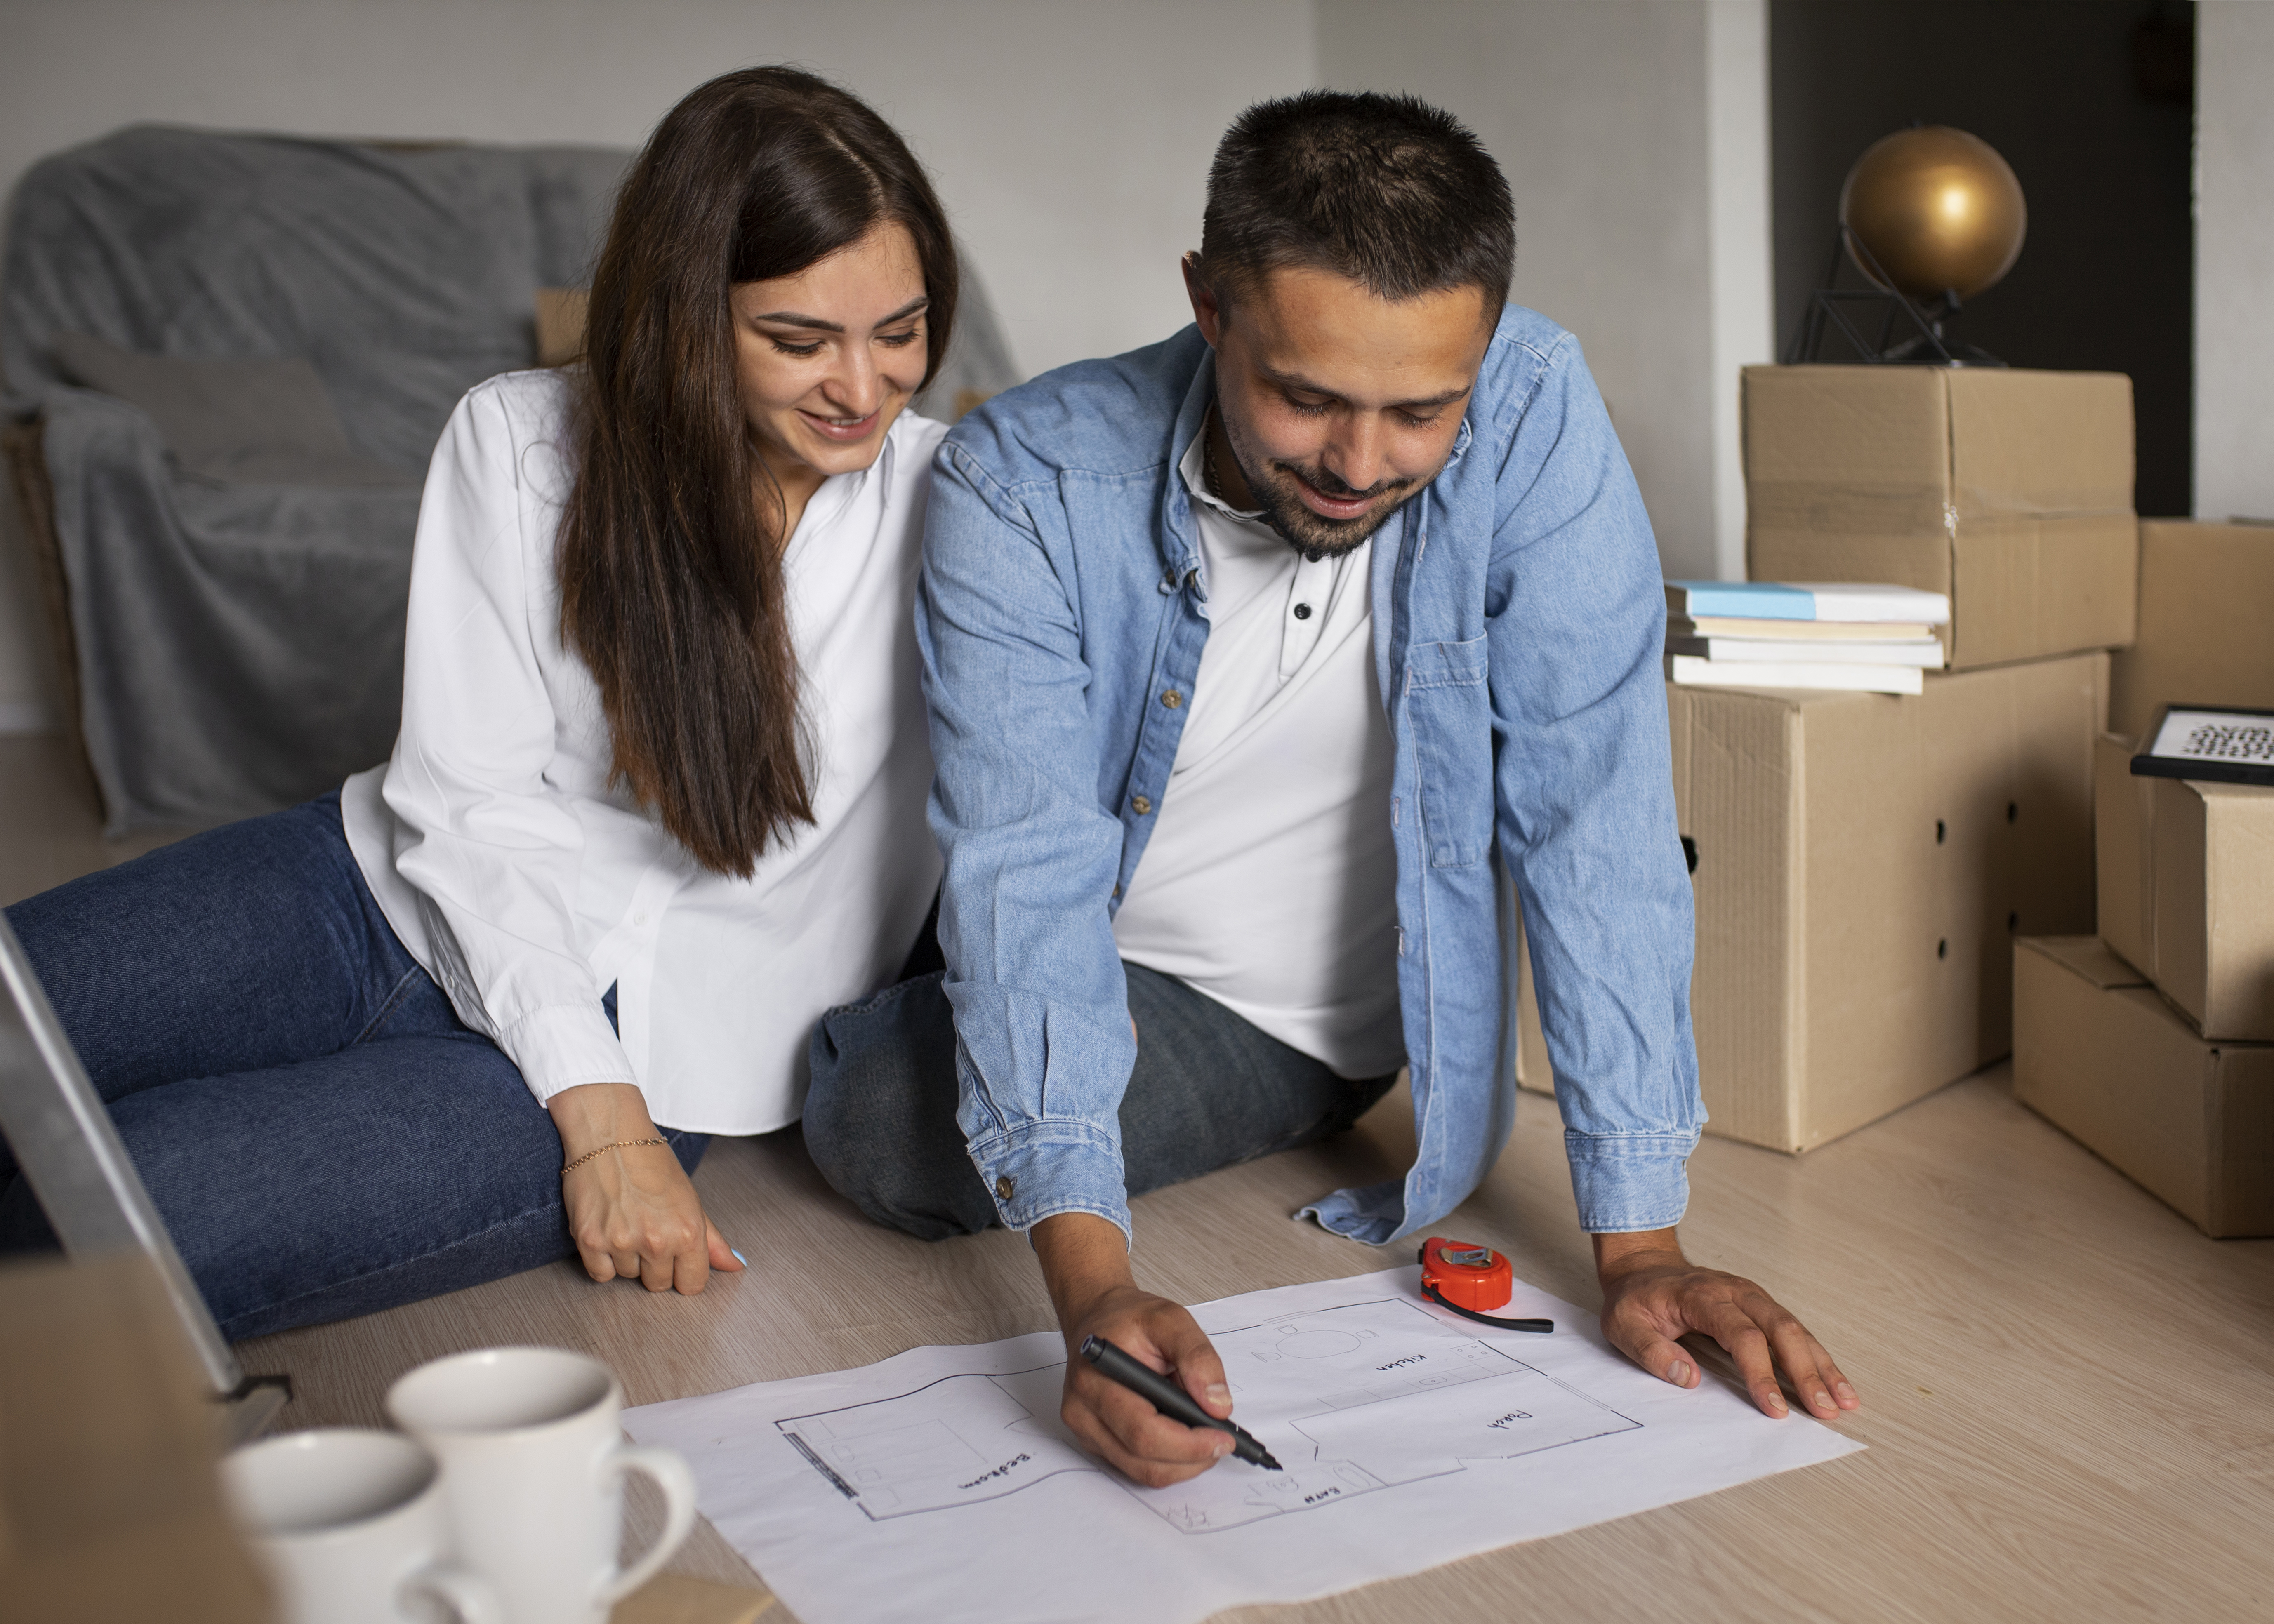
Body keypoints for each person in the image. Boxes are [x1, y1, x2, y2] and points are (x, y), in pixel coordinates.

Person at [804, 90, 1860, 1488]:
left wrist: (1642, 1244)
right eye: (1306, 397)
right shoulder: (1027, 475)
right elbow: (1027, 861)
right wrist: (1094, 1290)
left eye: (1423, 409)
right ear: (1208, 304)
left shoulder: (1537, 412)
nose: (1361, 466)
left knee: (875, 1109)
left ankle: (1224, 1083)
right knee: (882, 1082)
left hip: (1278, 1014)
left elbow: (1592, 810)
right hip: (1092, 928)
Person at [0, 66, 957, 1340]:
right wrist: (601, 1122)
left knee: (85, 1235)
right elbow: (466, 798)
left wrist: (605, 1113)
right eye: (798, 340)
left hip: (654, 1030)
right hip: (370, 886)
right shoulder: (522, 439)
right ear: (685, 315)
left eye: (899, 330)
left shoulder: (965, 506)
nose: (863, 386)